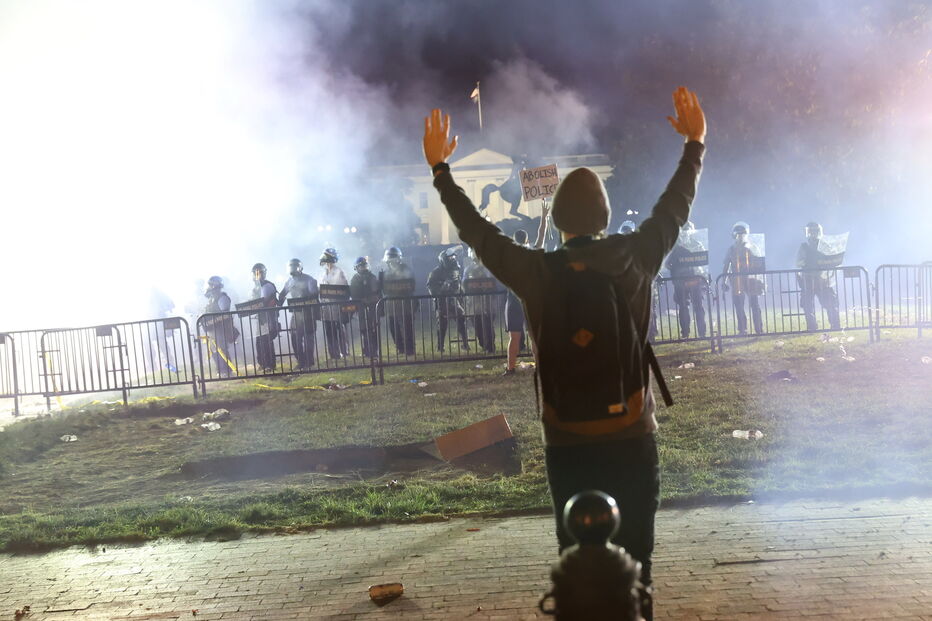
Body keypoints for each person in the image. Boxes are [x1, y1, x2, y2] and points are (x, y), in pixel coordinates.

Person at [421, 86, 706, 621]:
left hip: (566, 438)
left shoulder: (536, 273)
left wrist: (441, 171)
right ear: (604, 215)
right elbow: (675, 206)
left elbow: (477, 233)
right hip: (631, 433)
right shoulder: (636, 257)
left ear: (558, 219)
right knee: (637, 563)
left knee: (575, 561)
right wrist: (695, 144)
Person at [503, 208, 549, 374]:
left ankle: (510, 369)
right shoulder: (531, 253)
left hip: (514, 300)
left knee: (514, 337)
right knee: (534, 336)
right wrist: (544, 217)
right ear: (527, 239)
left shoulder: (509, 256)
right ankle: (539, 367)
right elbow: (541, 235)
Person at [665, 221, 709, 339]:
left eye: (687, 230)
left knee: (698, 306)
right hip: (681, 282)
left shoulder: (697, 245)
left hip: (695, 280)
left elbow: (703, 262)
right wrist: (677, 269)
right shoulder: (675, 247)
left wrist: (703, 275)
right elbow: (667, 264)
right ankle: (685, 333)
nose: (685, 233)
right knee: (684, 307)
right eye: (684, 230)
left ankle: (702, 333)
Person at [796, 222, 841, 331]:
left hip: (823, 280)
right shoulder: (804, 246)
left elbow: (833, 260)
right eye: (811, 231)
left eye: (815, 231)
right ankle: (812, 327)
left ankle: (835, 326)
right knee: (807, 306)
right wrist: (807, 262)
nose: (813, 234)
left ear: (818, 232)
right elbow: (798, 262)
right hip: (808, 279)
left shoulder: (825, 246)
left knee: (830, 303)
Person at [721, 222, 764, 335]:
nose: (740, 236)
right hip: (736, 281)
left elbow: (760, 265)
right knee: (739, 306)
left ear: (747, 234)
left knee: (754, 304)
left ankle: (759, 328)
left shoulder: (753, 247)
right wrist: (723, 281)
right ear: (734, 235)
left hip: (751, 280)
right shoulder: (731, 250)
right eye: (738, 234)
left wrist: (762, 280)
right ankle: (742, 329)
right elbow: (726, 265)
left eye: (743, 234)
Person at [427, 247, 470, 353]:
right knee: (442, 324)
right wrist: (442, 288)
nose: (453, 259)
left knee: (461, 319)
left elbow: (458, 284)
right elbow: (431, 287)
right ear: (444, 259)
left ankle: (465, 344)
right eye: (450, 258)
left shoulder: (456, 270)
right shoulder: (436, 272)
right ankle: (440, 347)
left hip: (454, 300)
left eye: (454, 257)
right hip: (441, 302)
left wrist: (461, 295)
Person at [278, 258, 319, 369]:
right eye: (291, 266)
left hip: (308, 312)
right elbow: (282, 294)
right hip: (296, 313)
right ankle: (301, 361)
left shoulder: (309, 280)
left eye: (294, 266)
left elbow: (314, 295)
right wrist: (278, 304)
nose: (293, 269)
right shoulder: (289, 281)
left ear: (300, 267)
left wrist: (304, 299)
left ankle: (309, 361)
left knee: (308, 338)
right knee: (295, 337)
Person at [380, 246, 417, 356]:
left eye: (393, 260)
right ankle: (400, 348)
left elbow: (411, 286)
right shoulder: (385, 273)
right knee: (394, 328)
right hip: (391, 306)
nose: (392, 262)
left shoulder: (406, 270)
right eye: (390, 260)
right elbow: (384, 289)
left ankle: (409, 349)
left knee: (407, 328)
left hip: (405, 304)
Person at [463, 247, 497, 354]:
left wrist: (487, 288)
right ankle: (483, 344)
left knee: (487, 325)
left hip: (487, 303)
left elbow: (494, 283)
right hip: (474, 304)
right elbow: (464, 285)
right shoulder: (468, 270)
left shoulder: (488, 268)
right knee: (477, 326)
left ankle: (490, 347)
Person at [319, 247, 350, 360]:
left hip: (337, 306)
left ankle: (344, 351)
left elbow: (344, 290)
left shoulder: (339, 272)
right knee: (329, 331)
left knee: (340, 330)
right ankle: (334, 354)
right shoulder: (323, 273)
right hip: (326, 307)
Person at [203, 276, 237, 377]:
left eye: (210, 284)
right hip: (212, 329)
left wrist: (213, 320)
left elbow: (225, 313)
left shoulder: (222, 297)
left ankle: (227, 370)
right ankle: (220, 370)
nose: (208, 287)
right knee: (214, 350)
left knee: (221, 349)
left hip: (220, 328)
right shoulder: (211, 299)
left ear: (215, 285)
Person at [350, 256, 381, 358]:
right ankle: (366, 350)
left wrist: (369, 299)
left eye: (365, 265)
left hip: (372, 307)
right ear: (357, 267)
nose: (363, 268)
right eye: (361, 266)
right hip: (361, 309)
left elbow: (377, 292)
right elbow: (354, 294)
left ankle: (374, 351)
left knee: (373, 329)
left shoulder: (372, 277)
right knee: (363, 329)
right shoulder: (355, 279)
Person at [250, 262, 279, 372]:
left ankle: (269, 365)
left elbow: (263, 301)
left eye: (258, 273)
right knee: (259, 342)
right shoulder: (256, 287)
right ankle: (262, 363)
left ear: (263, 274)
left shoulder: (267, 285)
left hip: (268, 317)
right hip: (260, 318)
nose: (256, 276)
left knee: (266, 341)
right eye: (254, 274)